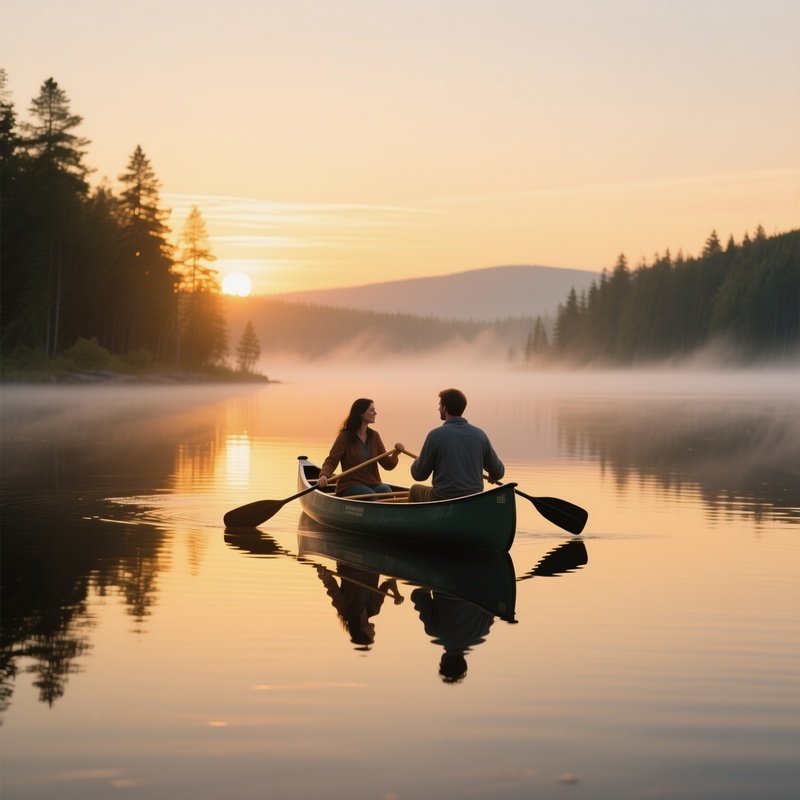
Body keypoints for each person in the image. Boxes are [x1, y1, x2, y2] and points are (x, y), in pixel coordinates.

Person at [409, 388, 504, 502]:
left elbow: (418, 475)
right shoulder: (480, 435)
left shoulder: (435, 436)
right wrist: (493, 475)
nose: (438, 408)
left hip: (442, 498)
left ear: (445, 408)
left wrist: (418, 461)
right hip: (474, 499)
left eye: (440, 405)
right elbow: (499, 472)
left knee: (414, 490)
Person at [317, 398, 405, 498]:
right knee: (370, 495)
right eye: (372, 410)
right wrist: (324, 475)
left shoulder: (374, 436)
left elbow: (388, 465)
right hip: (350, 485)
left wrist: (396, 454)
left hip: (373, 483)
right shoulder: (345, 436)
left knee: (387, 491)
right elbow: (332, 460)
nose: (375, 413)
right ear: (361, 413)